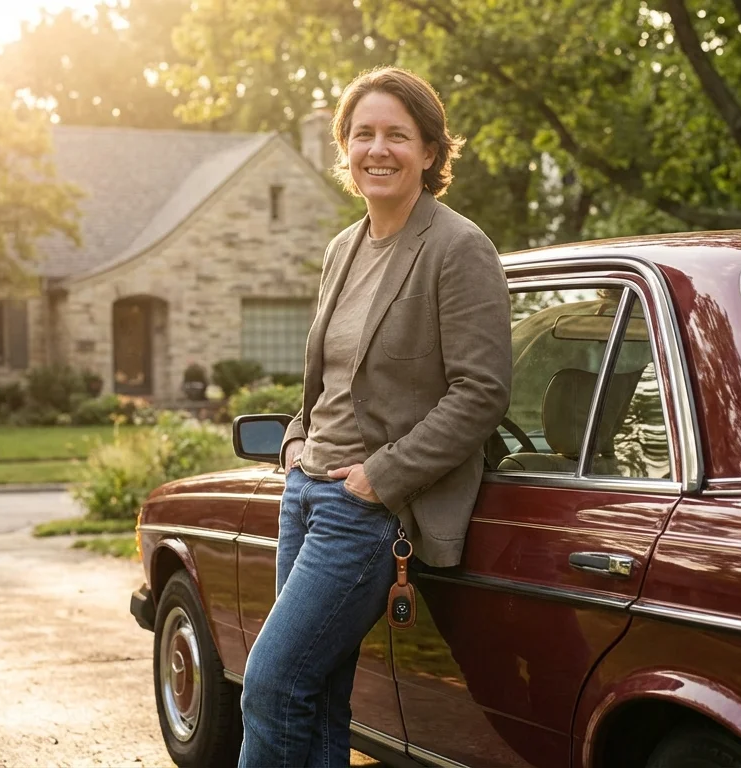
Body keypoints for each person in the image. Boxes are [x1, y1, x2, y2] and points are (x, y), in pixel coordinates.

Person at [238, 66, 512, 767]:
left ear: (429, 151)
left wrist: (380, 478)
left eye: (397, 134)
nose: (378, 149)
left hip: (368, 511)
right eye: (363, 135)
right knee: (316, 691)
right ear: (345, 149)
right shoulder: (343, 247)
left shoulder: (458, 248)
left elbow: (481, 392)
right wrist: (296, 441)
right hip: (304, 493)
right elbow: (326, 377)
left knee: (269, 685)